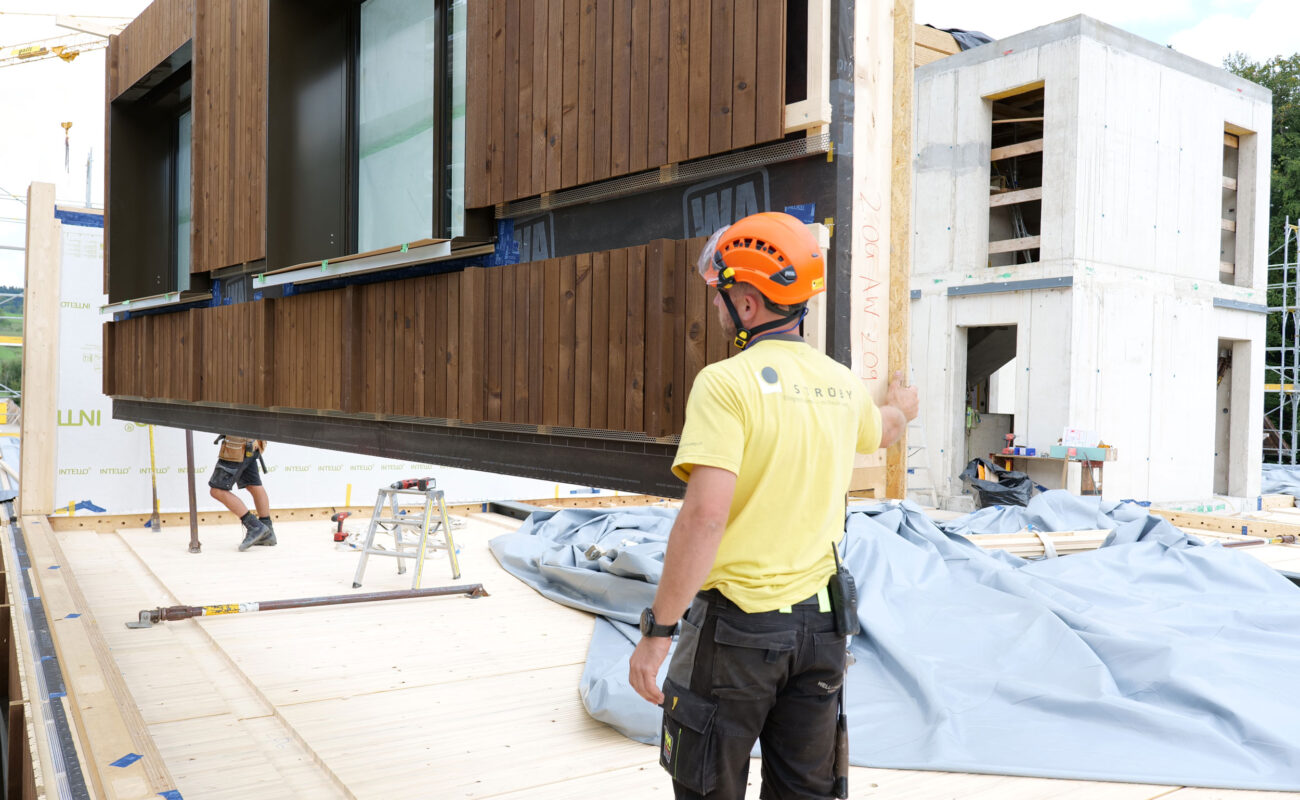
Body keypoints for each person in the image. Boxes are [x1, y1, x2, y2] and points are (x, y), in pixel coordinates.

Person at [628, 212, 919, 799]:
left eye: (721, 296)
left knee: (709, 786)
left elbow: (705, 517)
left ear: (749, 304)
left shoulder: (725, 383)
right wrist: (905, 408)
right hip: (822, 635)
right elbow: (883, 428)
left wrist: (658, 632)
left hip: (736, 634)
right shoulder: (839, 384)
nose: (716, 309)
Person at [208, 435, 276, 550]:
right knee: (253, 485)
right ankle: (267, 533)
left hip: (237, 445)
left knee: (217, 490)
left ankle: (255, 527)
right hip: (253, 442)